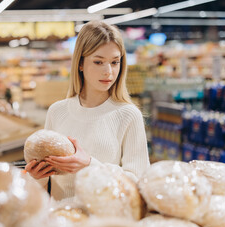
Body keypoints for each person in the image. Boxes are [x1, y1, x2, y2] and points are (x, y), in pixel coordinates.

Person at [25, 20, 150, 201]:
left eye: (115, 62)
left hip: (104, 223)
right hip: (63, 221)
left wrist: (89, 165)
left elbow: (138, 183)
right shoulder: (57, 111)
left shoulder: (128, 115)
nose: (108, 71)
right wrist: (38, 177)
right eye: (98, 62)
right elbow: (49, 186)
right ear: (80, 64)